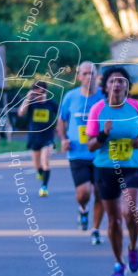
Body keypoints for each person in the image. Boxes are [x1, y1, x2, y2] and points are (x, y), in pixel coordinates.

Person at [86, 66, 138, 276]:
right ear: (105, 86)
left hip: (132, 167)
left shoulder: (137, 106)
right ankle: (118, 262)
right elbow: (91, 146)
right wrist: (104, 134)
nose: (117, 84)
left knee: (130, 212)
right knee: (113, 220)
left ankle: (133, 246)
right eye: (112, 81)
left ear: (127, 87)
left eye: (121, 81)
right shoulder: (97, 109)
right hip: (105, 169)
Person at [57, 61, 106, 244]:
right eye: (85, 74)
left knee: (100, 192)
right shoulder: (71, 97)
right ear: (79, 77)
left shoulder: (104, 96)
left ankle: (96, 229)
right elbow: (61, 120)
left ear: (97, 76)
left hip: (100, 153)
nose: (89, 77)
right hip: (77, 153)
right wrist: (63, 139)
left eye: (92, 73)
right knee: (84, 193)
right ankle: (83, 208)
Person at [18, 79, 58, 197]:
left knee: (45, 161)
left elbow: (60, 116)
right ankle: (40, 172)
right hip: (34, 137)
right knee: (37, 164)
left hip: (47, 137)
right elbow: (21, 113)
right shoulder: (31, 103)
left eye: (40, 93)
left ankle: (44, 187)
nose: (38, 96)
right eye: (35, 93)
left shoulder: (51, 104)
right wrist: (28, 98)